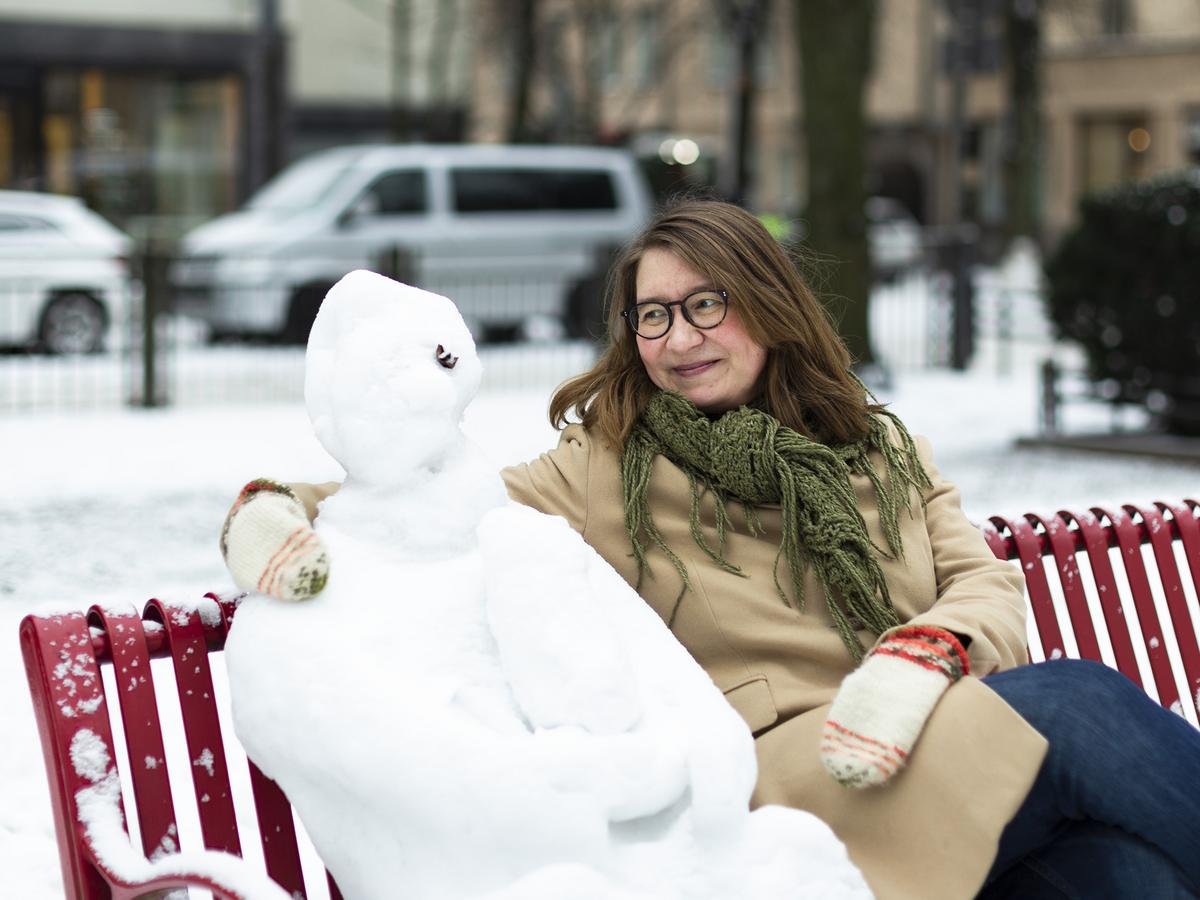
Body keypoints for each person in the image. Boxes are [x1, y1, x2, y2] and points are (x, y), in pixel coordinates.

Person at [220, 199, 1200, 900]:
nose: (679, 337)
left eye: (706, 305)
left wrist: (928, 653)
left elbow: (980, 581)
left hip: (936, 734)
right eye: (653, 314)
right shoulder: (602, 468)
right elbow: (409, 493)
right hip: (790, 790)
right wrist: (271, 507)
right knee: (1072, 706)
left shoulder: (880, 446)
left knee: (1133, 876)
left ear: (768, 307)